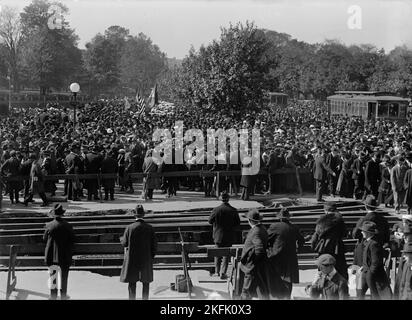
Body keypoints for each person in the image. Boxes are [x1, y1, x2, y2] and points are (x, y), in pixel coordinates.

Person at [120, 205, 157, 300]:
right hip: (146, 259)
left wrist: (121, 239)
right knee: (146, 283)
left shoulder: (129, 228)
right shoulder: (150, 228)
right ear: (143, 215)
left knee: (132, 283)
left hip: (132, 259)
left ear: (134, 216)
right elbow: (154, 246)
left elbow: (124, 243)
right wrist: (151, 257)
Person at [266, 207, 305, 299]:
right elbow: (301, 240)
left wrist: (269, 250)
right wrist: (298, 250)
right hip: (290, 258)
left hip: (276, 257)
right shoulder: (294, 228)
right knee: (288, 280)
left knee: (275, 279)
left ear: (279, 217)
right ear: (288, 217)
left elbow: (266, 239)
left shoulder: (274, 226)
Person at [43, 204, 75, 300]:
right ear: (62, 214)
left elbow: (44, 239)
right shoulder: (68, 226)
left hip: (51, 255)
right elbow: (73, 239)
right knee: (64, 277)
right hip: (65, 255)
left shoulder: (48, 225)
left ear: (54, 214)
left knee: (53, 276)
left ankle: (53, 296)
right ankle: (63, 295)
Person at [310, 202, 348, 280]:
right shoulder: (339, 220)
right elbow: (344, 233)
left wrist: (313, 245)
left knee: (324, 267)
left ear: (326, 211)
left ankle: (323, 285)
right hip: (337, 247)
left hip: (323, 248)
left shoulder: (321, 222)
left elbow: (316, 235)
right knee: (339, 267)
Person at [208, 191, 240, 279]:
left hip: (218, 235)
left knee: (217, 254)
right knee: (226, 255)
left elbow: (210, 221)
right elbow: (237, 223)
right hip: (229, 236)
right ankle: (223, 272)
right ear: (228, 199)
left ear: (220, 199)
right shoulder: (233, 210)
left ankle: (216, 272)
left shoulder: (216, 209)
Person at [239, 209, 269, 300]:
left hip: (252, 265)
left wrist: (252, 262)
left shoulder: (256, 231)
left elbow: (259, 248)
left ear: (250, 221)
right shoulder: (262, 228)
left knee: (246, 289)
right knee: (261, 288)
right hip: (258, 264)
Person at [359, 221, 392, 300]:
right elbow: (368, 258)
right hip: (365, 272)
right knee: (360, 293)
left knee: (375, 294)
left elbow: (375, 262)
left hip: (373, 275)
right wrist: (363, 267)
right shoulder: (367, 241)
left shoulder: (374, 244)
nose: (361, 232)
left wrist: (370, 273)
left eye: (363, 231)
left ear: (368, 233)